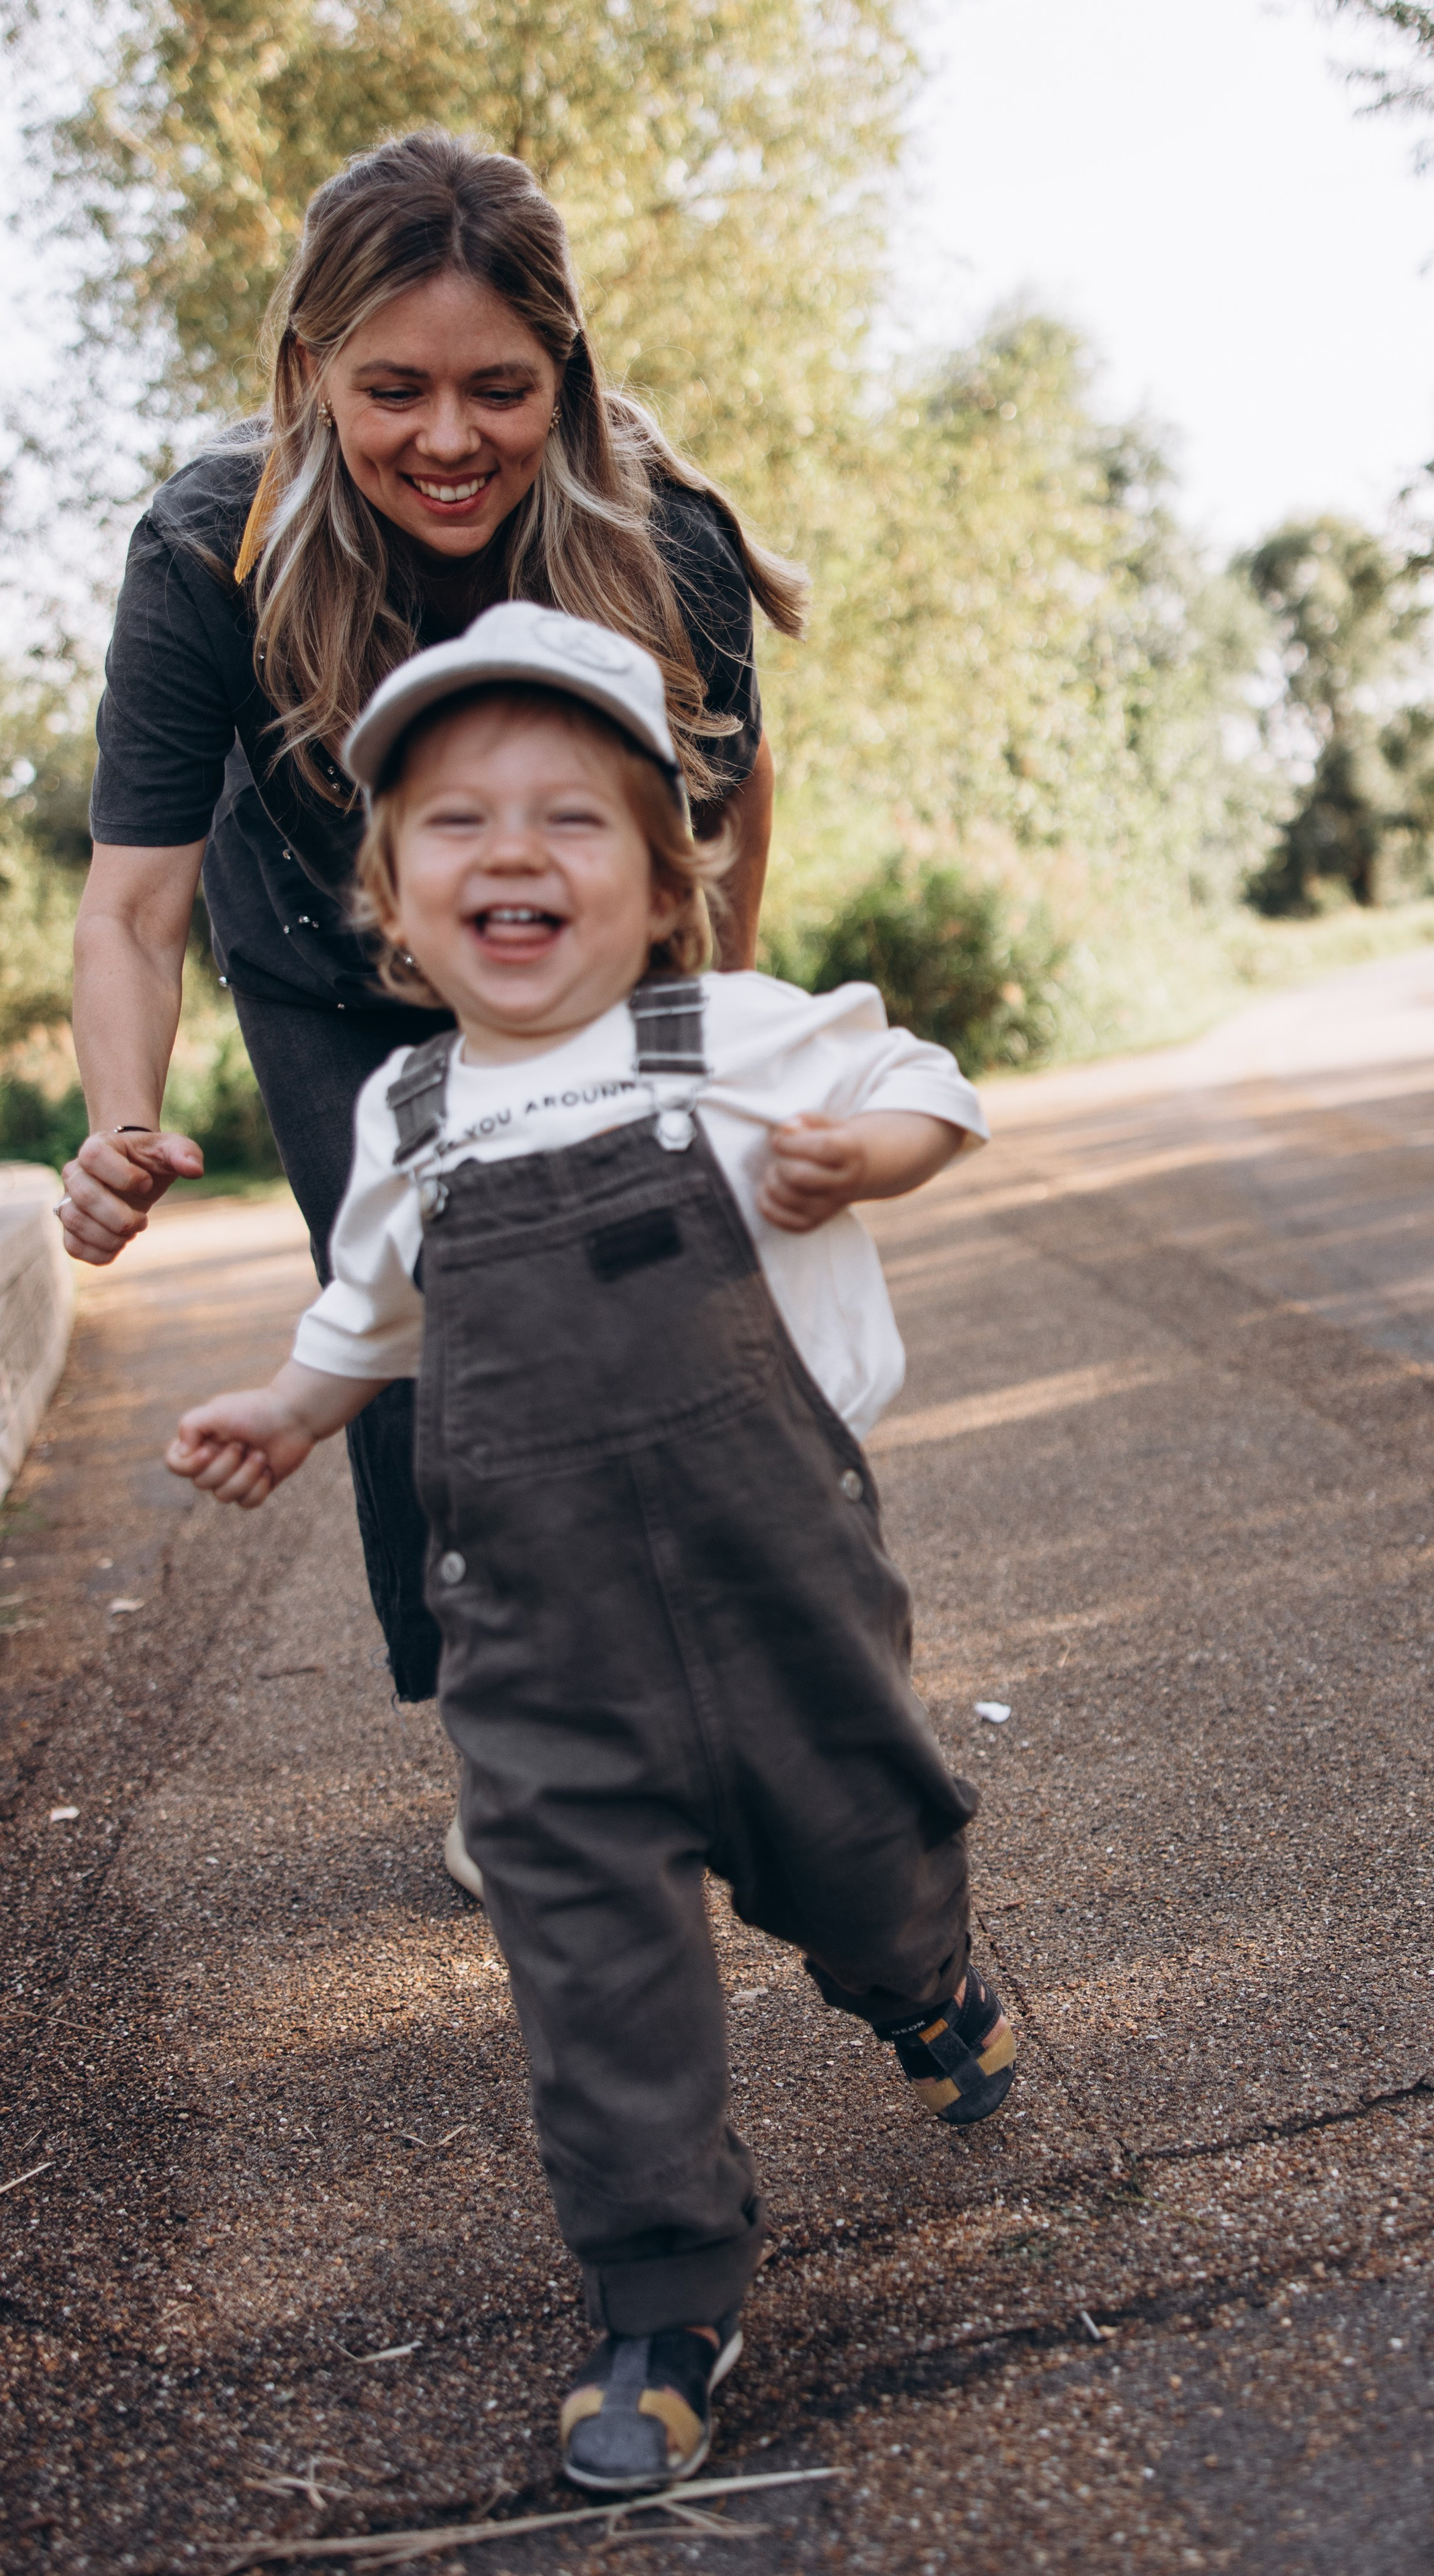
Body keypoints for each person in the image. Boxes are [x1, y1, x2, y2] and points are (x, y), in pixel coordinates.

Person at [162, 606, 1019, 2493]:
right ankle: (661, 2291)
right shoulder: (406, 1113)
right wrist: (290, 1414)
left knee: (860, 1862)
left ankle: (925, 1978)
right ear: (393, 897)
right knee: (590, 1974)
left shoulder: (725, 1034)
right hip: (542, 1657)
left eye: (571, 818)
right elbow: (372, 1314)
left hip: (775, 1593)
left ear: (658, 881)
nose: (516, 853)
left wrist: (855, 1161)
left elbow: (930, 1085)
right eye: (457, 824)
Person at [58, 132, 799, 1891]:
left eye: (500, 389)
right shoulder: (208, 548)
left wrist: (711, 1031)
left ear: (567, 372)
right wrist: (113, 1118)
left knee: (631, 1268)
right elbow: (135, 897)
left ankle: (671, 1679)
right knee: (418, 1306)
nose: (449, 441)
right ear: (309, 372)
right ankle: (512, 1736)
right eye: (393, 390)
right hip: (320, 956)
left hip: (568, 934)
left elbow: (723, 799)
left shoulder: (659, 542)